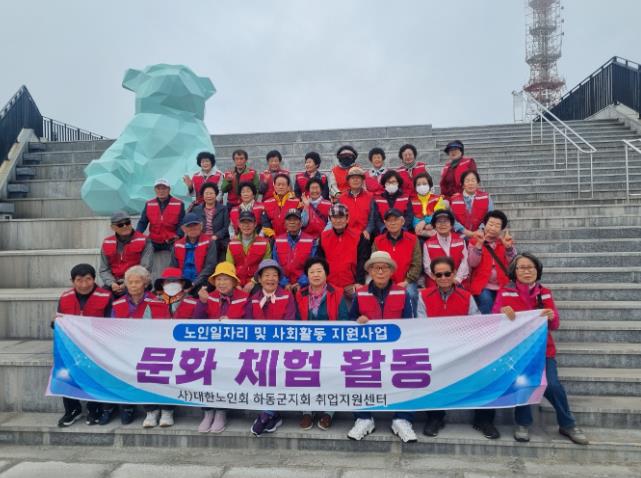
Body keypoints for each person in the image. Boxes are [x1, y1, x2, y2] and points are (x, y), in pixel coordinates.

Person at [493, 253, 589, 446]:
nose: (527, 271)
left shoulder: (545, 292)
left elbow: (554, 325)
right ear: (514, 271)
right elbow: (494, 320)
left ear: (537, 271)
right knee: (523, 382)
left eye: (531, 267)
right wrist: (502, 314)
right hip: (518, 351)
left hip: (543, 350)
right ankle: (523, 423)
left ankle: (567, 424)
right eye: (522, 267)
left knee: (553, 385)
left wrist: (552, 317)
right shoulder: (505, 292)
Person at [347, 251, 416, 442]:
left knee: (410, 369)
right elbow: (350, 321)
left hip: (396, 349)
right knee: (356, 370)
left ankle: (402, 419)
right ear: (369, 271)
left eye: (384, 267)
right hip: (368, 351)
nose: (380, 271)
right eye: (376, 267)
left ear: (391, 271)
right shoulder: (360, 293)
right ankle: (363, 418)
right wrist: (358, 320)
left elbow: (411, 324)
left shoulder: (402, 293)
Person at [416, 256, 480, 438]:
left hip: (461, 348)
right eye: (439, 275)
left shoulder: (467, 296)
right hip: (435, 350)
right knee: (427, 371)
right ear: (433, 276)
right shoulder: (423, 295)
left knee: (485, 368)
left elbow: (476, 322)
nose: (443, 278)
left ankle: (484, 420)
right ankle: (435, 418)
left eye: (447, 273)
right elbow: (421, 324)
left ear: (454, 274)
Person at [107, 266, 168, 425]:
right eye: (130, 282)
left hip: (153, 349)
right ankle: (150, 410)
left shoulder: (157, 302)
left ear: (145, 283)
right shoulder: (117, 303)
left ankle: (166, 410)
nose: (133, 285)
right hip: (127, 350)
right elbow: (113, 329)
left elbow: (163, 328)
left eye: (137, 282)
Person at [194, 262, 250, 434]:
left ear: (233, 281)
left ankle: (221, 412)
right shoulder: (209, 296)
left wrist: (233, 323)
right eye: (218, 279)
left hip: (236, 348)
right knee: (204, 370)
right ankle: (208, 412)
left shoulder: (245, 298)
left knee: (224, 372)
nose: (221, 283)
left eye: (226, 279)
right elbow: (197, 320)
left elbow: (251, 322)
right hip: (211, 348)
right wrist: (202, 302)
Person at [54, 264, 112, 427]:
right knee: (65, 371)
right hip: (71, 345)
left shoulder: (106, 296)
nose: (84, 284)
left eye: (88, 279)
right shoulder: (65, 297)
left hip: (97, 346)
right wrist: (55, 323)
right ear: (72, 281)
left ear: (94, 279)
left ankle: (94, 408)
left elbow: (111, 323)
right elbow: (60, 320)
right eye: (79, 280)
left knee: (95, 373)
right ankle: (72, 409)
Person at [295, 257, 349, 430]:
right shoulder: (301, 293)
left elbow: (343, 319)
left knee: (331, 375)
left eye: (319, 271)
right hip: (306, 345)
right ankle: (307, 411)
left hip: (332, 345)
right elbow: (296, 320)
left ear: (326, 273)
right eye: (312, 272)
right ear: (307, 275)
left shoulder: (337, 292)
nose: (316, 275)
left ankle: (328, 412)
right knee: (304, 374)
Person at [142, 267, 197, 429]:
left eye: (176, 281)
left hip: (183, 349)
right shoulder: (152, 302)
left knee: (173, 371)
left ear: (182, 283)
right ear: (162, 284)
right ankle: (151, 411)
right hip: (156, 348)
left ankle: (167, 411)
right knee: (147, 369)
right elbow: (143, 326)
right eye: (168, 281)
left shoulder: (192, 302)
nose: (172, 284)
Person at [248, 259, 297, 436]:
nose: (271, 279)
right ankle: (272, 415)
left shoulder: (287, 296)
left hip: (283, 348)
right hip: (259, 349)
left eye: (274, 275)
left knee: (275, 369)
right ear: (259, 279)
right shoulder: (253, 299)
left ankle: (266, 414)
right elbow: (248, 324)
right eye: (267, 275)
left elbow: (290, 321)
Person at [372, 209, 421, 315]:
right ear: (385, 223)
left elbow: (416, 264)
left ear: (402, 221)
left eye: (395, 220)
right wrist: (386, 282)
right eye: (389, 220)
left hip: (407, 281)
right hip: (384, 281)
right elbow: (375, 264)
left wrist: (407, 281)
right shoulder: (378, 241)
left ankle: (413, 320)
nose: (392, 223)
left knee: (411, 294)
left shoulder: (413, 239)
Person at [317, 203, 369, 300]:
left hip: (351, 285)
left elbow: (362, 261)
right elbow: (320, 262)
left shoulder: (358, 236)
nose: (338, 221)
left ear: (347, 218)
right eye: (334, 217)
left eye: (341, 217)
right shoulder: (323, 237)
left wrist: (359, 282)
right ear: (330, 219)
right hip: (329, 286)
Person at [468, 210, 516, 314]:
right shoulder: (474, 241)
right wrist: (479, 245)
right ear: (485, 224)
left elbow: (513, 263)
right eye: (490, 224)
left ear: (501, 229)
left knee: (505, 311)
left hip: (503, 284)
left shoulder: (504, 242)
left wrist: (509, 247)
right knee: (486, 303)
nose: (493, 228)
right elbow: (472, 263)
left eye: (497, 226)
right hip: (482, 285)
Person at [100, 210, 153, 297]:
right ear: (113, 227)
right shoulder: (107, 242)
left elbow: (145, 268)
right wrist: (111, 283)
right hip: (114, 283)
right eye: (120, 224)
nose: (125, 226)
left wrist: (127, 283)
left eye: (127, 223)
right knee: (102, 297)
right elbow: (104, 269)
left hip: (137, 281)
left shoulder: (145, 240)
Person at [169, 212, 218, 292]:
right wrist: (178, 283)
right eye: (189, 226)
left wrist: (194, 283)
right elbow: (173, 267)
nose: (193, 228)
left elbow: (210, 266)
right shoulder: (177, 245)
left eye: (195, 225)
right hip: (182, 284)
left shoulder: (209, 242)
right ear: (183, 229)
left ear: (201, 226)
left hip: (202, 284)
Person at [226, 210, 272, 293]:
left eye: (249, 222)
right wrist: (236, 284)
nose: (246, 225)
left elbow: (265, 267)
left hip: (257, 282)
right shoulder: (231, 244)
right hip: (236, 282)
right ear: (239, 224)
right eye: (243, 222)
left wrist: (253, 282)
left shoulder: (265, 243)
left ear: (255, 224)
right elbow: (229, 267)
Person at [273, 209, 316, 293]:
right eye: (289, 220)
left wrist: (301, 283)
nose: (292, 222)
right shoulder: (278, 241)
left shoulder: (311, 241)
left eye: (295, 219)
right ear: (285, 223)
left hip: (305, 286)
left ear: (301, 223)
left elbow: (313, 266)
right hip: (282, 286)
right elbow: (275, 265)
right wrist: (284, 283)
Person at [423, 210, 470, 288]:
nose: (442, 224)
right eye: (439, 222)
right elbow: (427, 267)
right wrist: (442, 279)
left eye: (446, 221)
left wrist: (457, 279)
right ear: (434, 225)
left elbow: (465, 262)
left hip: (458, 281)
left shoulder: (460, 241)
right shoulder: (428, 244)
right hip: (436, 282)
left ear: (451, 225)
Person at [136, 178, 185, 251]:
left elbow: (182, 223)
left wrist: (178, 235)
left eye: (164, 188)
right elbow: (142, 222)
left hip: (171, 240)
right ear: (155, 190)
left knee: (179, 252)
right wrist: (136, 236)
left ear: (169, 189)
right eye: (158, 188)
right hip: (153, 240)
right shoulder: (149, 204)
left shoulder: (179, 204)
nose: (161, 191)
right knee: (142, 250)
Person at [190, 182, 230, 262]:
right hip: (201, 238)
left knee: (213, 244)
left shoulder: (223, 209)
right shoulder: (196, 209)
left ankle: (212, 266)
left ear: (216, 195)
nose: (209, 196)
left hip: (217, 239)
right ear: (203, 195)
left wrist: (216, 236)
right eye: (206, 193)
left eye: (211, 193)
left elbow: (226, 227)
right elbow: (193, 226)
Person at [367, 170, 413, 236]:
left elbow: (409, 217)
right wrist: (384, 229)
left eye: (393, 182)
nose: (391, 184)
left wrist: (400, 229)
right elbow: (376, 218)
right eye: (388, 182)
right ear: (384, 184)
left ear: (398, 183)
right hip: (383, 233)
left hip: (402, 233)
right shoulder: (377, 199)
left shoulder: (406, 198)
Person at [450, 170, 493, 239]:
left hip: (481, 236)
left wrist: (480, 230)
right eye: (467, 181)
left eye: (473, 180)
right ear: (463, 185)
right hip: (460, 237)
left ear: (477, 183)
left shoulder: (486, 197)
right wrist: (465, 231)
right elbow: (452, 219)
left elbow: (490, 216)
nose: (470, 183)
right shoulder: (454, 200)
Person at [261, 173, 303, 238]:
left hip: (292, 238)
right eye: (278, 185)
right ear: (274, 186)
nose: (281, 187)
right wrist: (273, 236)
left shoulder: (297, 202)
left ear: (288, 187)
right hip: (273, 238)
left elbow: (300, 222)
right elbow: (265, 223)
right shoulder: (267, 203)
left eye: (283, 185)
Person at [338, 166, 373, 239]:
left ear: (362, 180)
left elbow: (372, 218)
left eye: (358, 178)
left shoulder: (370, 197)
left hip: (364, 234)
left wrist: (368, 230)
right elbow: (339, 218)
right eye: (352, 178)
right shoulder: (341, 198)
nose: (355, 180)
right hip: (346, 234)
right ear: (348, 181)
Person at [410, 173, 447, 240]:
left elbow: (439, 214)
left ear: (430, 185)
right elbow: (411, 217)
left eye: (424, 184)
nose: (421, 186)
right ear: (415, 187)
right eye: (418, 184)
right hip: (418, 228)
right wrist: (421, 225)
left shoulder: (437, 198)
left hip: (434, 226)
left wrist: (425, 222)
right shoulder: (412, 201)